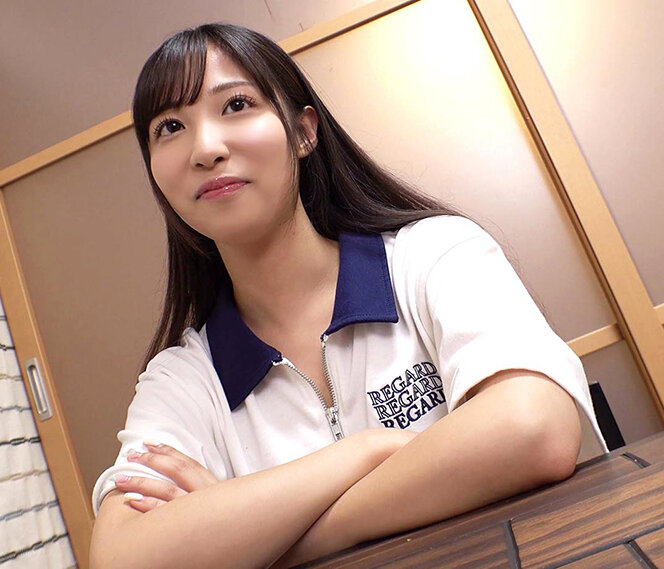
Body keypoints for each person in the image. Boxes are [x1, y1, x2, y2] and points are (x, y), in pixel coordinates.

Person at [90, 22, 605, 569]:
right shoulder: (183, 379)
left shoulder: (431, 255)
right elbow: (123, 558)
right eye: (170, 127)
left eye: (236, 104)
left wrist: (265, 538)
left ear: (303, 132)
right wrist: (368, 450)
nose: (206, 148)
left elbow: (533, 428)